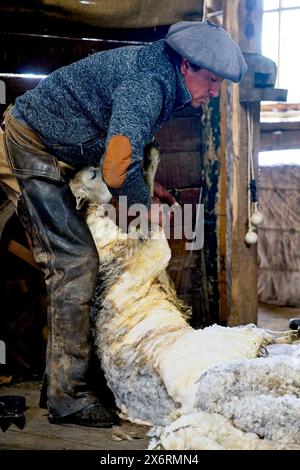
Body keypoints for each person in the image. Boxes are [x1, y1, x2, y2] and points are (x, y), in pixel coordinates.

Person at [0, 20, 247, 427]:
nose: (215, 91)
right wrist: (141, 206)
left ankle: (60, 383)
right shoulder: (148, 84)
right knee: (75, 262)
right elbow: (117, 169)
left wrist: (150, 189)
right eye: (212, 80)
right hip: (29, 146)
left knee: (77, 260)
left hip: (58, 145)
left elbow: (123, 143)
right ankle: (66, 397)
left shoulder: (162, 78)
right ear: (186, 66)